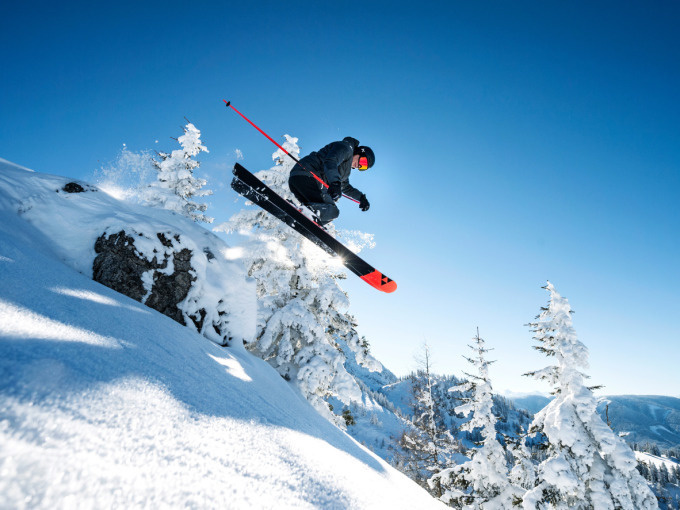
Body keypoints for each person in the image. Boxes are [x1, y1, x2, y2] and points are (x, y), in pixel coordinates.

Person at [288, 136, 375, 225]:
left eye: (363, 167)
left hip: (298, 179)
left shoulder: (344, 170)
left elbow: (345, 187)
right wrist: (335, 182)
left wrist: (361, 198)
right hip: (309, 176)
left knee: (324, 215)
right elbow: (330, 161)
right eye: (363, 162)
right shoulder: (346, 148)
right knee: (331, 211)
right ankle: (305, 215)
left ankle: (301, 221)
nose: (359, 166)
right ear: (360, 152)